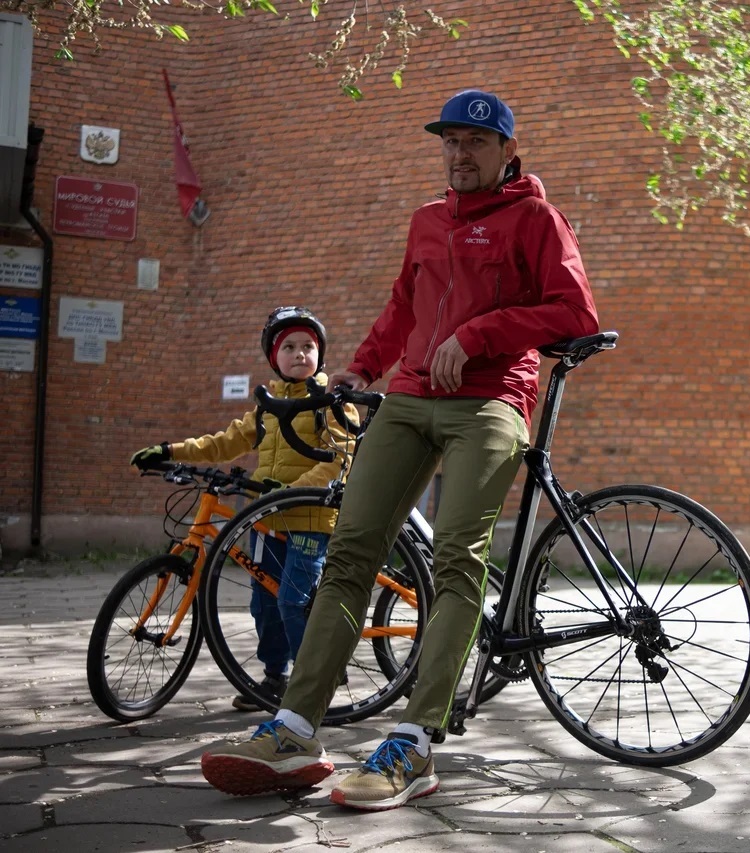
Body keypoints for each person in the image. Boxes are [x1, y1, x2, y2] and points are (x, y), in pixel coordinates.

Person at [199, 89, 600, 811]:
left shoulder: (535, 217)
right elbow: (403, 307)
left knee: (456, 555)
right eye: (449, 141)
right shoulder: (425, 221)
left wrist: (477, 335)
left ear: (509, 151)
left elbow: (575, 311)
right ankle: (295, 729)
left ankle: (413, 742)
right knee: (352, 549)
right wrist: (361, 367)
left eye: (475, 142)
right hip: (412, 397)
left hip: (491, 399)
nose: (458, 153)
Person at [130, 306, 354, 711]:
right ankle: (274, 679)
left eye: (308, 346)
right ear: (274, 356)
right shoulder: (267, 407)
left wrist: (288, 491)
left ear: (321, 354)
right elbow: (223, 443)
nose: (300, 354)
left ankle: (316, 680)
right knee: (264, 604)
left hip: (309, 520)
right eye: (289, 347)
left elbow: (338, 460)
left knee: (293, 600)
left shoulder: (330, 403)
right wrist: (169, 451)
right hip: (266, 523)